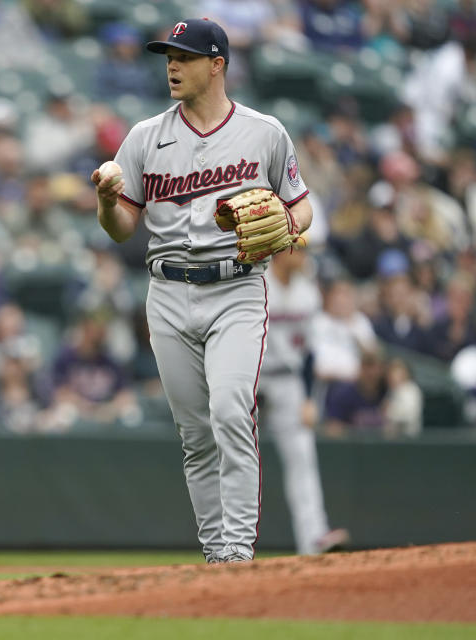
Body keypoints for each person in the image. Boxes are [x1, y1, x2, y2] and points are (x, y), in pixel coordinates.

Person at [90, 18, 314, 563]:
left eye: (184, 56)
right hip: (167, 293)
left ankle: (236, 552)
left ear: (217, 64)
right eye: (168, 55)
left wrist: (288, 226)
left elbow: (302, 204)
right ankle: (216, 556)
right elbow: (123, 226)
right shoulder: (144, 136)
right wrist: (105, 201)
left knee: (232, 412)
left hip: (237, 288)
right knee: (195, 434)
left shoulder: (264, 132)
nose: (171, 64)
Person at [259, 248, 349, 555]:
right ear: (280, 252)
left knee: (302, 456)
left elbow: (310, 353)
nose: (303, 254)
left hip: (289, 381)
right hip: (251, 378)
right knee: (235, 457)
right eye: (297, 248)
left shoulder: (307, 292)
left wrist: (309, 397)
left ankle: (313, 539)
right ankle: (228, 543)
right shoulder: (257, 282)